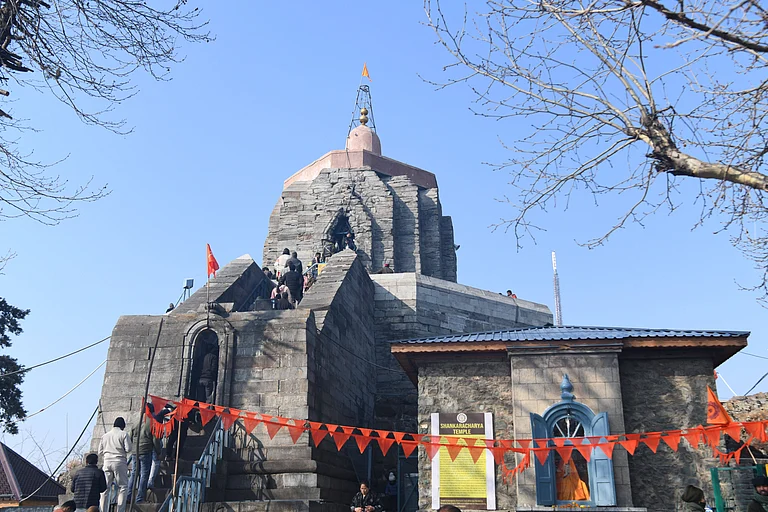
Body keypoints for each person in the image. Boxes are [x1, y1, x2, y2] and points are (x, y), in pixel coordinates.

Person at [128, 406, 162, 503]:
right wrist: (158, 452)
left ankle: (129, 495)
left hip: (135, 451)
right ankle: (139, 498)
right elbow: (155, 439)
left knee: (134, 474)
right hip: (146, 451)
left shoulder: (135, 422)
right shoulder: (151, 422)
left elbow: (130, 436)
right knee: (144, 475)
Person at [98, 417, 132, 512]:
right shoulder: (124, 434)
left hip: (107, 462)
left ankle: (103, 509)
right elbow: (128, 449)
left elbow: (100, 451)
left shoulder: (105, 436)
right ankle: (120, 510)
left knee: (105, 489)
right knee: (123, 487)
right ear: (122, 426)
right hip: (119, 461)